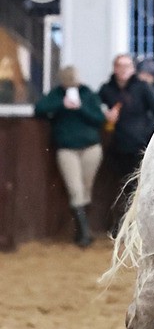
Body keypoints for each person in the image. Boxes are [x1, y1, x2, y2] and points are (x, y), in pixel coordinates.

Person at [34, 65, 105, 248]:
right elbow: (39, 109)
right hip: (67, 149)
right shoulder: (56, 95)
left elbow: (99, 119)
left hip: (91, 148)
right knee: (75, 189)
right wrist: (61, 105)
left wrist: (80, 108)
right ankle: (83, 234)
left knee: (86, 189)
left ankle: (83, 230)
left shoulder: (88, 94)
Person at [99, 53, 154, 230]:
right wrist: (105, 114)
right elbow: (98, 107)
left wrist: (145, 132)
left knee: (139, 186)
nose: (123, 70)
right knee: (120, 186)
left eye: (127, 66)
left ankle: (139, 225)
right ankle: (121, 225)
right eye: (120, 66)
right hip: (117, 146)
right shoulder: (106, 89)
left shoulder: (142, 87)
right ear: (114, 68)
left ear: (132, 69)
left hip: (139, 145)